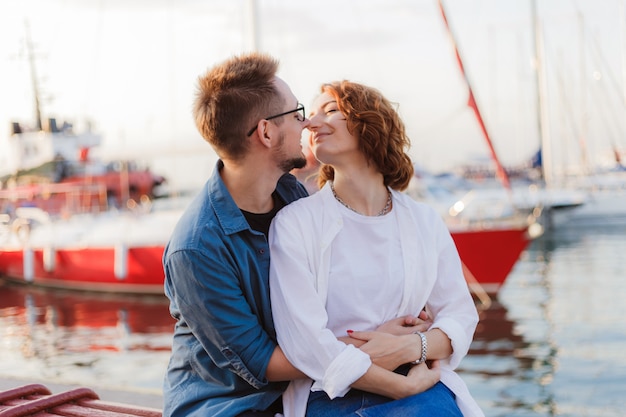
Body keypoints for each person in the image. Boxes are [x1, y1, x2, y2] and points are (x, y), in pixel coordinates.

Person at [161, 54, 430, 417]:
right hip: (231, 404)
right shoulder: (196, 249)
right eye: (297, 113)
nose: (307, 124)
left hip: (307, 388)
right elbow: (263, 364)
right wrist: (377, 343)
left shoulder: (292, 196)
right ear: (266, 132)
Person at [269, 81, 485, 416]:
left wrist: (408, 347)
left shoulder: (424, 221)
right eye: (310, 116)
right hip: (332, 391)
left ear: (370, 123)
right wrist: (394, 377)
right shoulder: (295, 224)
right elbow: (304, 343)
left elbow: (459, 316)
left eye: (330, 110)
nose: (311, 123)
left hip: (419, 378)